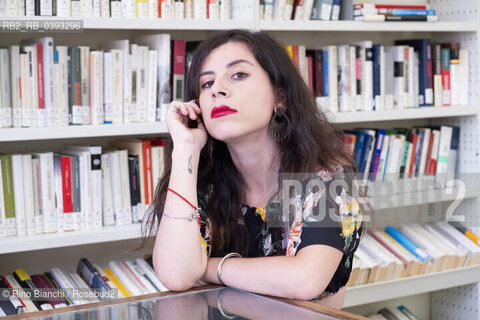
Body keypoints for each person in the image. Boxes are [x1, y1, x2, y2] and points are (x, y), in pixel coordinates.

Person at [148, 29, 367, 309]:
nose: (217, 89)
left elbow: (304, 280)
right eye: (206, 83)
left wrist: (207, 267)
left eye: (238, 75)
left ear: (280, 96)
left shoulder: (329, 178)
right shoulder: (204, 186)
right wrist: (185, 150)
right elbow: (176, 275)